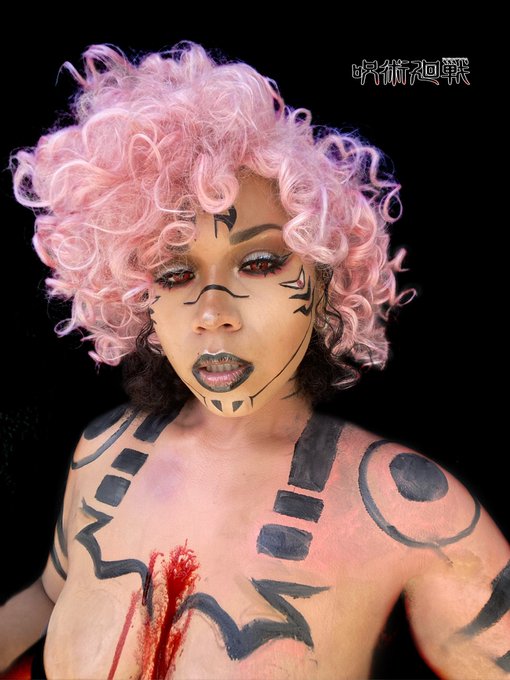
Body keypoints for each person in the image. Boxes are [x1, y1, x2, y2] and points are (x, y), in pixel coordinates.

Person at [0, 40, 508, 680]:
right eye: (176, 274)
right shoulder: (102, 454)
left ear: (326, 279)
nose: (212, 312)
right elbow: (50, 594)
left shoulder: (409, 510)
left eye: (260, 262)